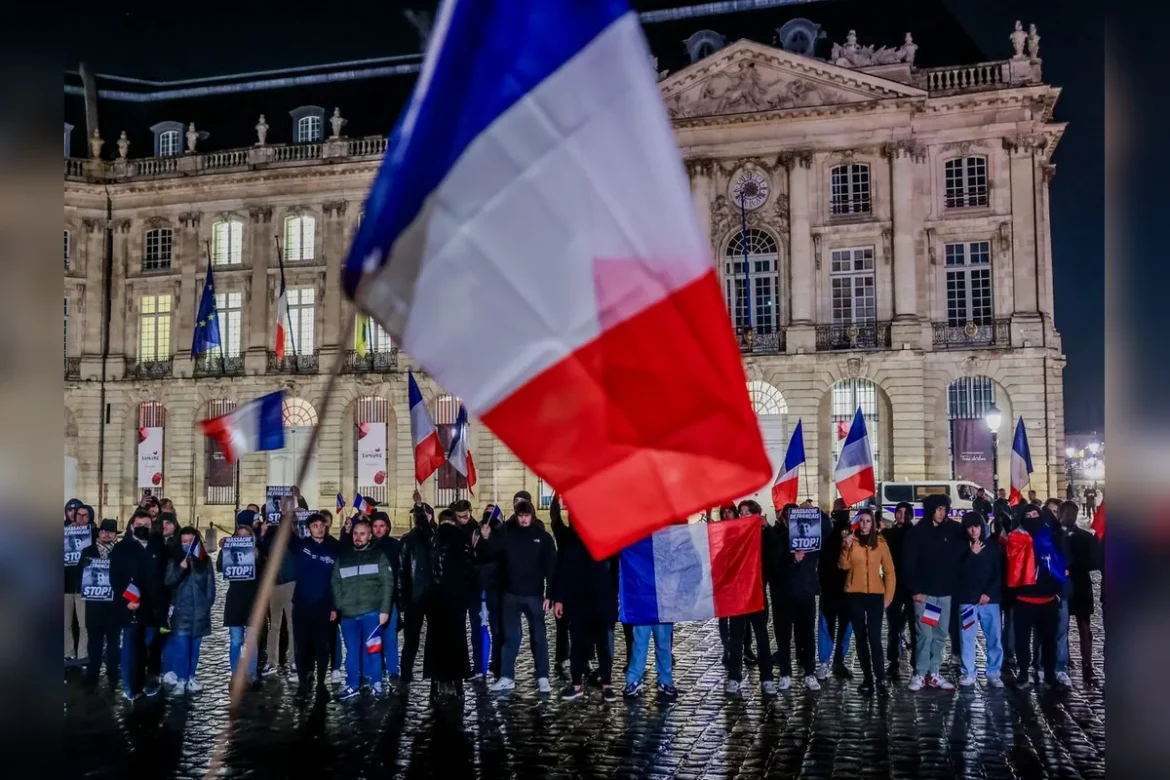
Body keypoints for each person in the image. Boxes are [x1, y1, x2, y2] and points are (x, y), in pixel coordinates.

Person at [478, 499, 557, 694]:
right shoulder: (508, 533)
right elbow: (491, 552)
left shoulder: (543, 537)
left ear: (532, 516)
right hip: (511, 595)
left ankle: (542, 676)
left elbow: (551, 568)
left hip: (534, 595)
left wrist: (550, 595)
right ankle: (506, 676)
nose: (523, 519)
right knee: (510, 637)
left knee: (539, 637)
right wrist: (486, 538)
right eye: (520, 516)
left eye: (526, 516)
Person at [552, 494, 618, 702]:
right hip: (578, 602)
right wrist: (559, 599)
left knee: (604, 647)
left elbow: (616, 570)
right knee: (578, 646)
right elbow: (564, 571)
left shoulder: (607, 539)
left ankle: (607, 685)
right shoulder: (572, 542)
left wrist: (615, 597)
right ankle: (576, 684)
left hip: (601, 602)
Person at [271, 508, 338, 701]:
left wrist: (334, 606)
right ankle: (302, 683)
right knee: (302, 646)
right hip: (301, 605)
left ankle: (321, 684)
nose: (319, 529)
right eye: (315, 526)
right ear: (308, 529)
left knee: (322, 646)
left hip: (323, 605)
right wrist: (288, 515)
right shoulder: (300, 546)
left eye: (321, 526)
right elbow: (285, 533)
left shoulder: (333, 547)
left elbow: (337, 578)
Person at [902, 493, 962, 691]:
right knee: (924, 634)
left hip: (944, 594)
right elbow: (908, 564)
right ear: (931, 510)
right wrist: (915, 590)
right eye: (938, 509)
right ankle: (920, 673)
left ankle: (934, 672)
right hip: (925, 595)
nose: (941, 513)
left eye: (944, 509)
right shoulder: (918, 532)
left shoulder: (952, 530)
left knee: (939, 634)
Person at [109, 508, 168, 701]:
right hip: (131, 606)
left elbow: (164, 575)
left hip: (154, 607)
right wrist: (126, 600)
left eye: (146, 525)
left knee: (151, 646)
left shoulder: (158, 546)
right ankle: (130, 686)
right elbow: (115, 578)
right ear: (132, 526)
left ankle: (150, 680)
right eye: (139, 525)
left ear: (152, 526)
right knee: (130, 648)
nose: (143, 528)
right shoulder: (121, 548)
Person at [332, 516, 394, 700]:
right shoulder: (343, 557)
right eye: (356, 533)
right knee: (351, 653)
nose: (358, 537)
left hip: (371, 613)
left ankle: (376, 683)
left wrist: (384, 610)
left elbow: (387, 584)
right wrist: (340, 604)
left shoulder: (378, 556)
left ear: (369, 536)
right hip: (349, 616)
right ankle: (352, 685)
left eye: (363, 534)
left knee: (373, 651)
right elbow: (335, 582)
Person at [1004, 502, 1064, 690]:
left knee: (1049, 640)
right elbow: (1009, 567)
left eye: (1034, 515)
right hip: (1024, 600)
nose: (1032, 519)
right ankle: (1023, 674)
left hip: (1048, 599)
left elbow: (1060, 562)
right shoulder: (1015, 538)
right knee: (1022, 641)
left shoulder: (1051, 536)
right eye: (1027, 517)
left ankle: (1049, 674)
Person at [768, 503, 826, 691]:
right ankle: (785, 674)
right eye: (787, 517)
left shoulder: (812, 536)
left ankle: (809, 673)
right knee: (783, 636)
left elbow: (828, 529)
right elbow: (772, 567)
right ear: (784, 519)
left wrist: (817, 511)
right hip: (782, 595)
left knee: (807, 635)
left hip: (805, 593)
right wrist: (792, 559)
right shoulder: (777, 538)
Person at [838, 508, 896, 694]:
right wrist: (845, 546)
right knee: (861, 638)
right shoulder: (851, 541)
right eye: (861, 520)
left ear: (872, 523)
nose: (864, 524)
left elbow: (889, 571)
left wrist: (888, 596)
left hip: (875, 596)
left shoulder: (880, 543)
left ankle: (881, 678)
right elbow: (843, 565)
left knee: (874, 638)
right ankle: (868, 679)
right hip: (854, 594)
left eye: (868, 521)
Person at [725, 500, 776, 697]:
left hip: (757, 595)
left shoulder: (764, 534)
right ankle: (734, 676)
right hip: (738, 595)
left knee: (762, 638)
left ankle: (767, 678)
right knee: (736, 638)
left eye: (747, 512)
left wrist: (767, 528)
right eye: (741, 512)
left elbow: (776, 551)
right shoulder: (735, 534)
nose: (743, 515)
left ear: (756, 514)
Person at [425, 508, 476, 698]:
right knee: (457, 639)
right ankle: (458, 681)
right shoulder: (462, 538)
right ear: (454, 521)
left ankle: (435, 682)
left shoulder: (433, 538)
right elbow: (470, 568)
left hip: (435, 597)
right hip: (456, 598)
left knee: (435, 640)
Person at [161, 527, 215, 694]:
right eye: (184, 541)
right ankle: (181, 679)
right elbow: (168, 582)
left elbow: (210, 587)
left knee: (195, 648)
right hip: (181, 612)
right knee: (182, 648)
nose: (187, 545)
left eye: (190, 542)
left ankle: (191, 677)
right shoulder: (174, 560)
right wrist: (181, 569)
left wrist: (206, 605)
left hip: (199, 613)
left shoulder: (205, 561)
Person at [956, 511, 1004, 688]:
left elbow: (998, 573)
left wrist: (989, 593)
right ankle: (968, 672)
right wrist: (971, 554)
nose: (973, 530)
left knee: (994, 638)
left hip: (990, 601)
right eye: (969, 526)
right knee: (967, 638)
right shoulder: (961, 546)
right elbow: (958, 572)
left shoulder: (992, 546)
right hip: (968, 600)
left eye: (976, 526)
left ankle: (993, 672)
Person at [217, 518, 262, 686]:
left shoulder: (257, 551)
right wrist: (224, 549)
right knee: (235, 639)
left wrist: (256, 555)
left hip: (252, 599)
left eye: (246, 536)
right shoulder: (229, 550)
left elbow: (264, 570)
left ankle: (251, 673)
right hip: (235, 598)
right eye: (239, 535)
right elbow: (220, 567)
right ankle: (235, 673)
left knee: (251, 639)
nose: (242, 538)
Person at [78, 519, 123, 685]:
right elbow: (78, 575)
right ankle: (93, 673)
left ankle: (112, 674)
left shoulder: (119, 551)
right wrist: (84, 570)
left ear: (114, 534)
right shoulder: (88, 551)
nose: (106, 534)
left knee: (113, 643)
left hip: (114, 606)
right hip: (94, 606)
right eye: (103, 531)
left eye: (110, 531)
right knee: (94, 643)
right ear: (98, 532)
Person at [1061, 500, 1100, 683]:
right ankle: (1065, 660)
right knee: (1063, 627)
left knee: (1084, 627)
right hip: (1061, 586)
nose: (1070, 516)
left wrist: (1073, 564)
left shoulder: (1086, 537)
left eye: (1072, 513)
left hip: (1081, 585)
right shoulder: (1053, 536)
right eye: (1067, 513)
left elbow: (1095, 562)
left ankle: (1087, 665)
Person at [816, 499, 853, 681]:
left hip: (849, 591)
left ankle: (839, 661)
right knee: (826, 626)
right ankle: (824, 662)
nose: (844, 512)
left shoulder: (855, 536)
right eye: (841, 509)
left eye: (846, 509)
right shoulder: (826, 535)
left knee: (846, 628)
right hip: (829, 590)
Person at [450, 499, 486, 679]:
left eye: (466, 516)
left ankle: (478, 666)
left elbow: (484, 557)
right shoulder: (453, 530)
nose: (463, 519)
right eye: (459, 517)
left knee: (476, 628)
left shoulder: (478, 530)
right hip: (457, 585)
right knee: (456, 629)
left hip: (474, 586)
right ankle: (459, 665)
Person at [398, 506, 434, 686]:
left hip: (429, 595)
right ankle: (406, 671)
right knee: (412, 637)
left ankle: (433, 673)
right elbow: (402, 571)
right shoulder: (408, 540)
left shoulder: (436, 538)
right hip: (416, 594)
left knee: (432, 637)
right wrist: (402, 598)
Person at [882, 502, 916, 679]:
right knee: (893, 626)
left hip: (912, 587)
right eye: (899, 512)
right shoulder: (887, 533)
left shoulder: (916, 534)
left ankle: (916, 663)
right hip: (893, 586)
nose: (902, 515)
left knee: (914, 625)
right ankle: (893, 661)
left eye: (905, 512)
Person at [370, 511, 402, 680]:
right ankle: (376, 667)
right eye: (375, 526)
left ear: (387, 527)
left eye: (382, 526)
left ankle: (393, 669)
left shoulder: (395, 546)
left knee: (390, 636)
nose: (378, 530)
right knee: (373, 636)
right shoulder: (367, 546)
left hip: (390, 599)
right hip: (370, 599)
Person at [65, 502, 96, 663]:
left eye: (85, 515)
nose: (80, 518)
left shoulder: (94, 533)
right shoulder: (63, 530)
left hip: (85, 586)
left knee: (84, 624)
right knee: (65, 624)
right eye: (78, 514)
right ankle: (68, 653)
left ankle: (83, 655)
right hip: (65, 585)